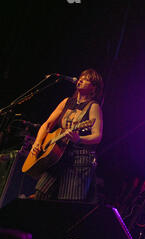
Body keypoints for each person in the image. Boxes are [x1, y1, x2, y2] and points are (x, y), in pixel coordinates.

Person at [30, 69, 104, 201]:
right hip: (57, 156)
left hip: (78, 161)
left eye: (86, 79)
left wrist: (79, 138)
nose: (80, 80)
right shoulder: (67, 102)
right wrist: (37, 142)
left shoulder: (94, 107)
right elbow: (47, 125)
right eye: (81, 77)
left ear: (94, 87)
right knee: (40, 194)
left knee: (67, 203)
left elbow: (97, 136)